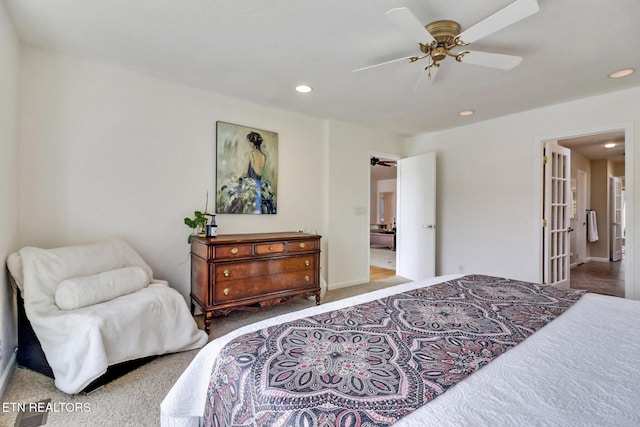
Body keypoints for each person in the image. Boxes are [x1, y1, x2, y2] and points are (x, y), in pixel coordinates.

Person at [246, 131, 266, 213]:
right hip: (259, 186)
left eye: (249, 142)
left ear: (252, 143)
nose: (249, 144)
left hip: (251, 186)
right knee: (257, 210)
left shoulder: (250, 155)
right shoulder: (263, 156)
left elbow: (244, 172)